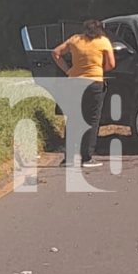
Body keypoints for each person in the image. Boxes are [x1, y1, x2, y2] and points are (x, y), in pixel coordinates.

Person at [52, 20, 115, 168]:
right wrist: (99, 70)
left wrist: (68, 70)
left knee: (73, 119)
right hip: (94, 83)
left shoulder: (75, 39)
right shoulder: (103, 41)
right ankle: (86, 157)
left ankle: (68, 158)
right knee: (92, 120)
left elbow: (55, 53)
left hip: (74, 82)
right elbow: (111, 64)